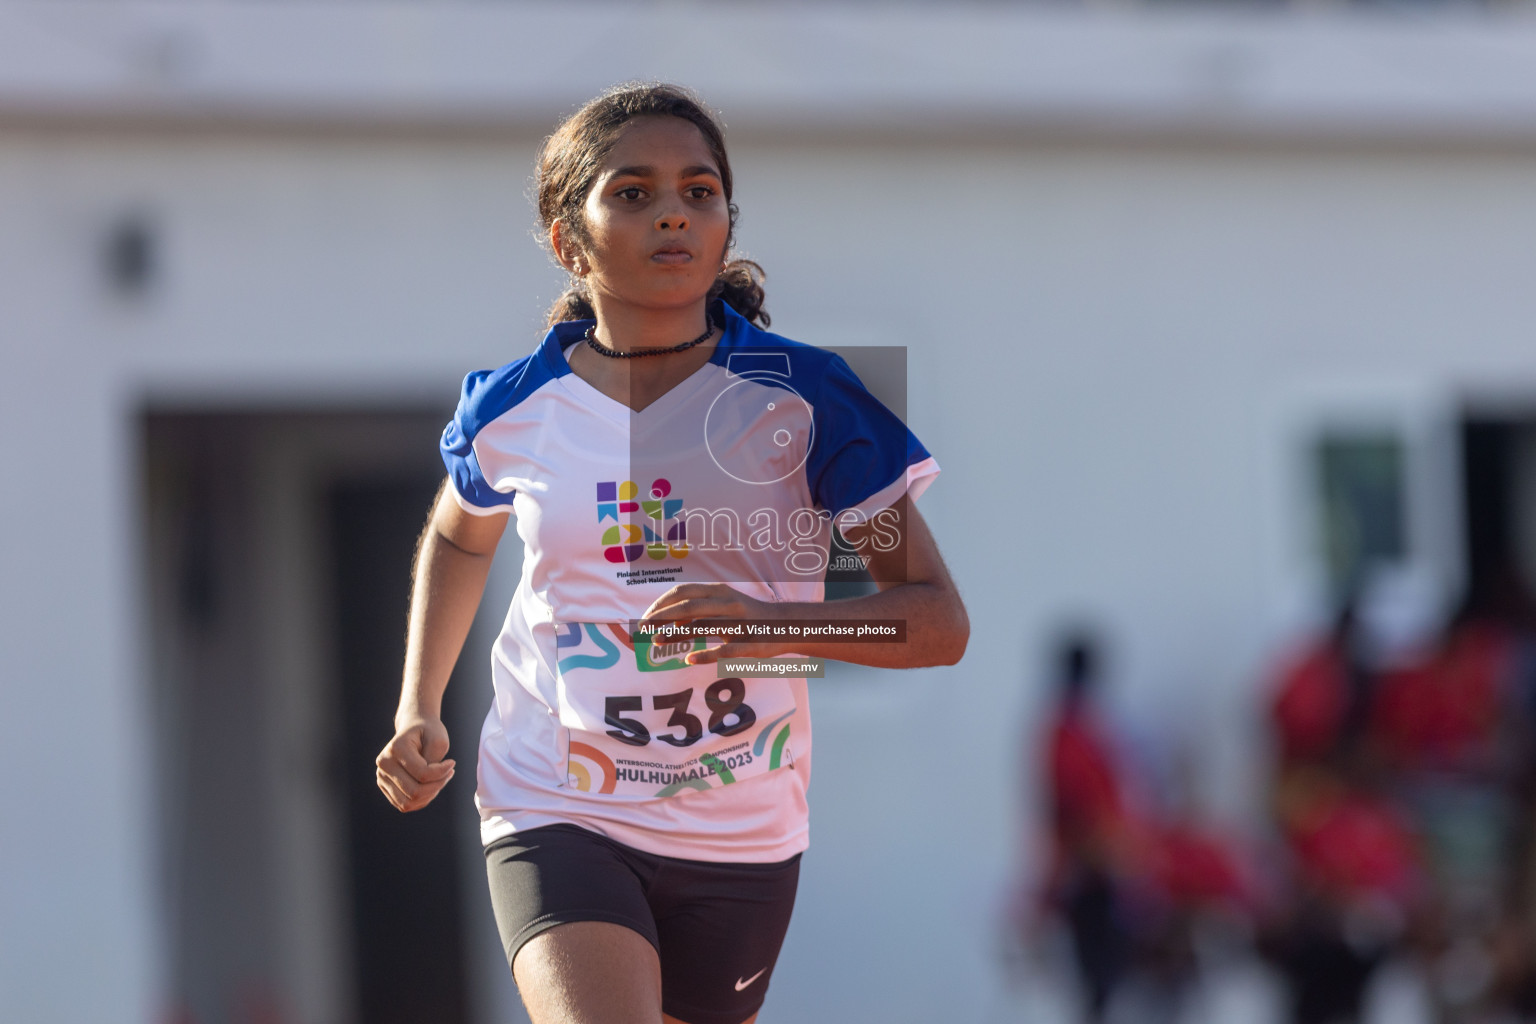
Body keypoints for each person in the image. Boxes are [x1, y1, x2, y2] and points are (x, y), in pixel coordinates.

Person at [373, 83, 969, 1024]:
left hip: (741, 827)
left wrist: (766, 627)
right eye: (634, 192)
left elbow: (934, 622)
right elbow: (458, 531)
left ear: (728, 225)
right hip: (556, 799)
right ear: (570, 240)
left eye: (700, 192)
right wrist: (419, 701)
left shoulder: (809, 401)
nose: (674, 215)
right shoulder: (512, 408)